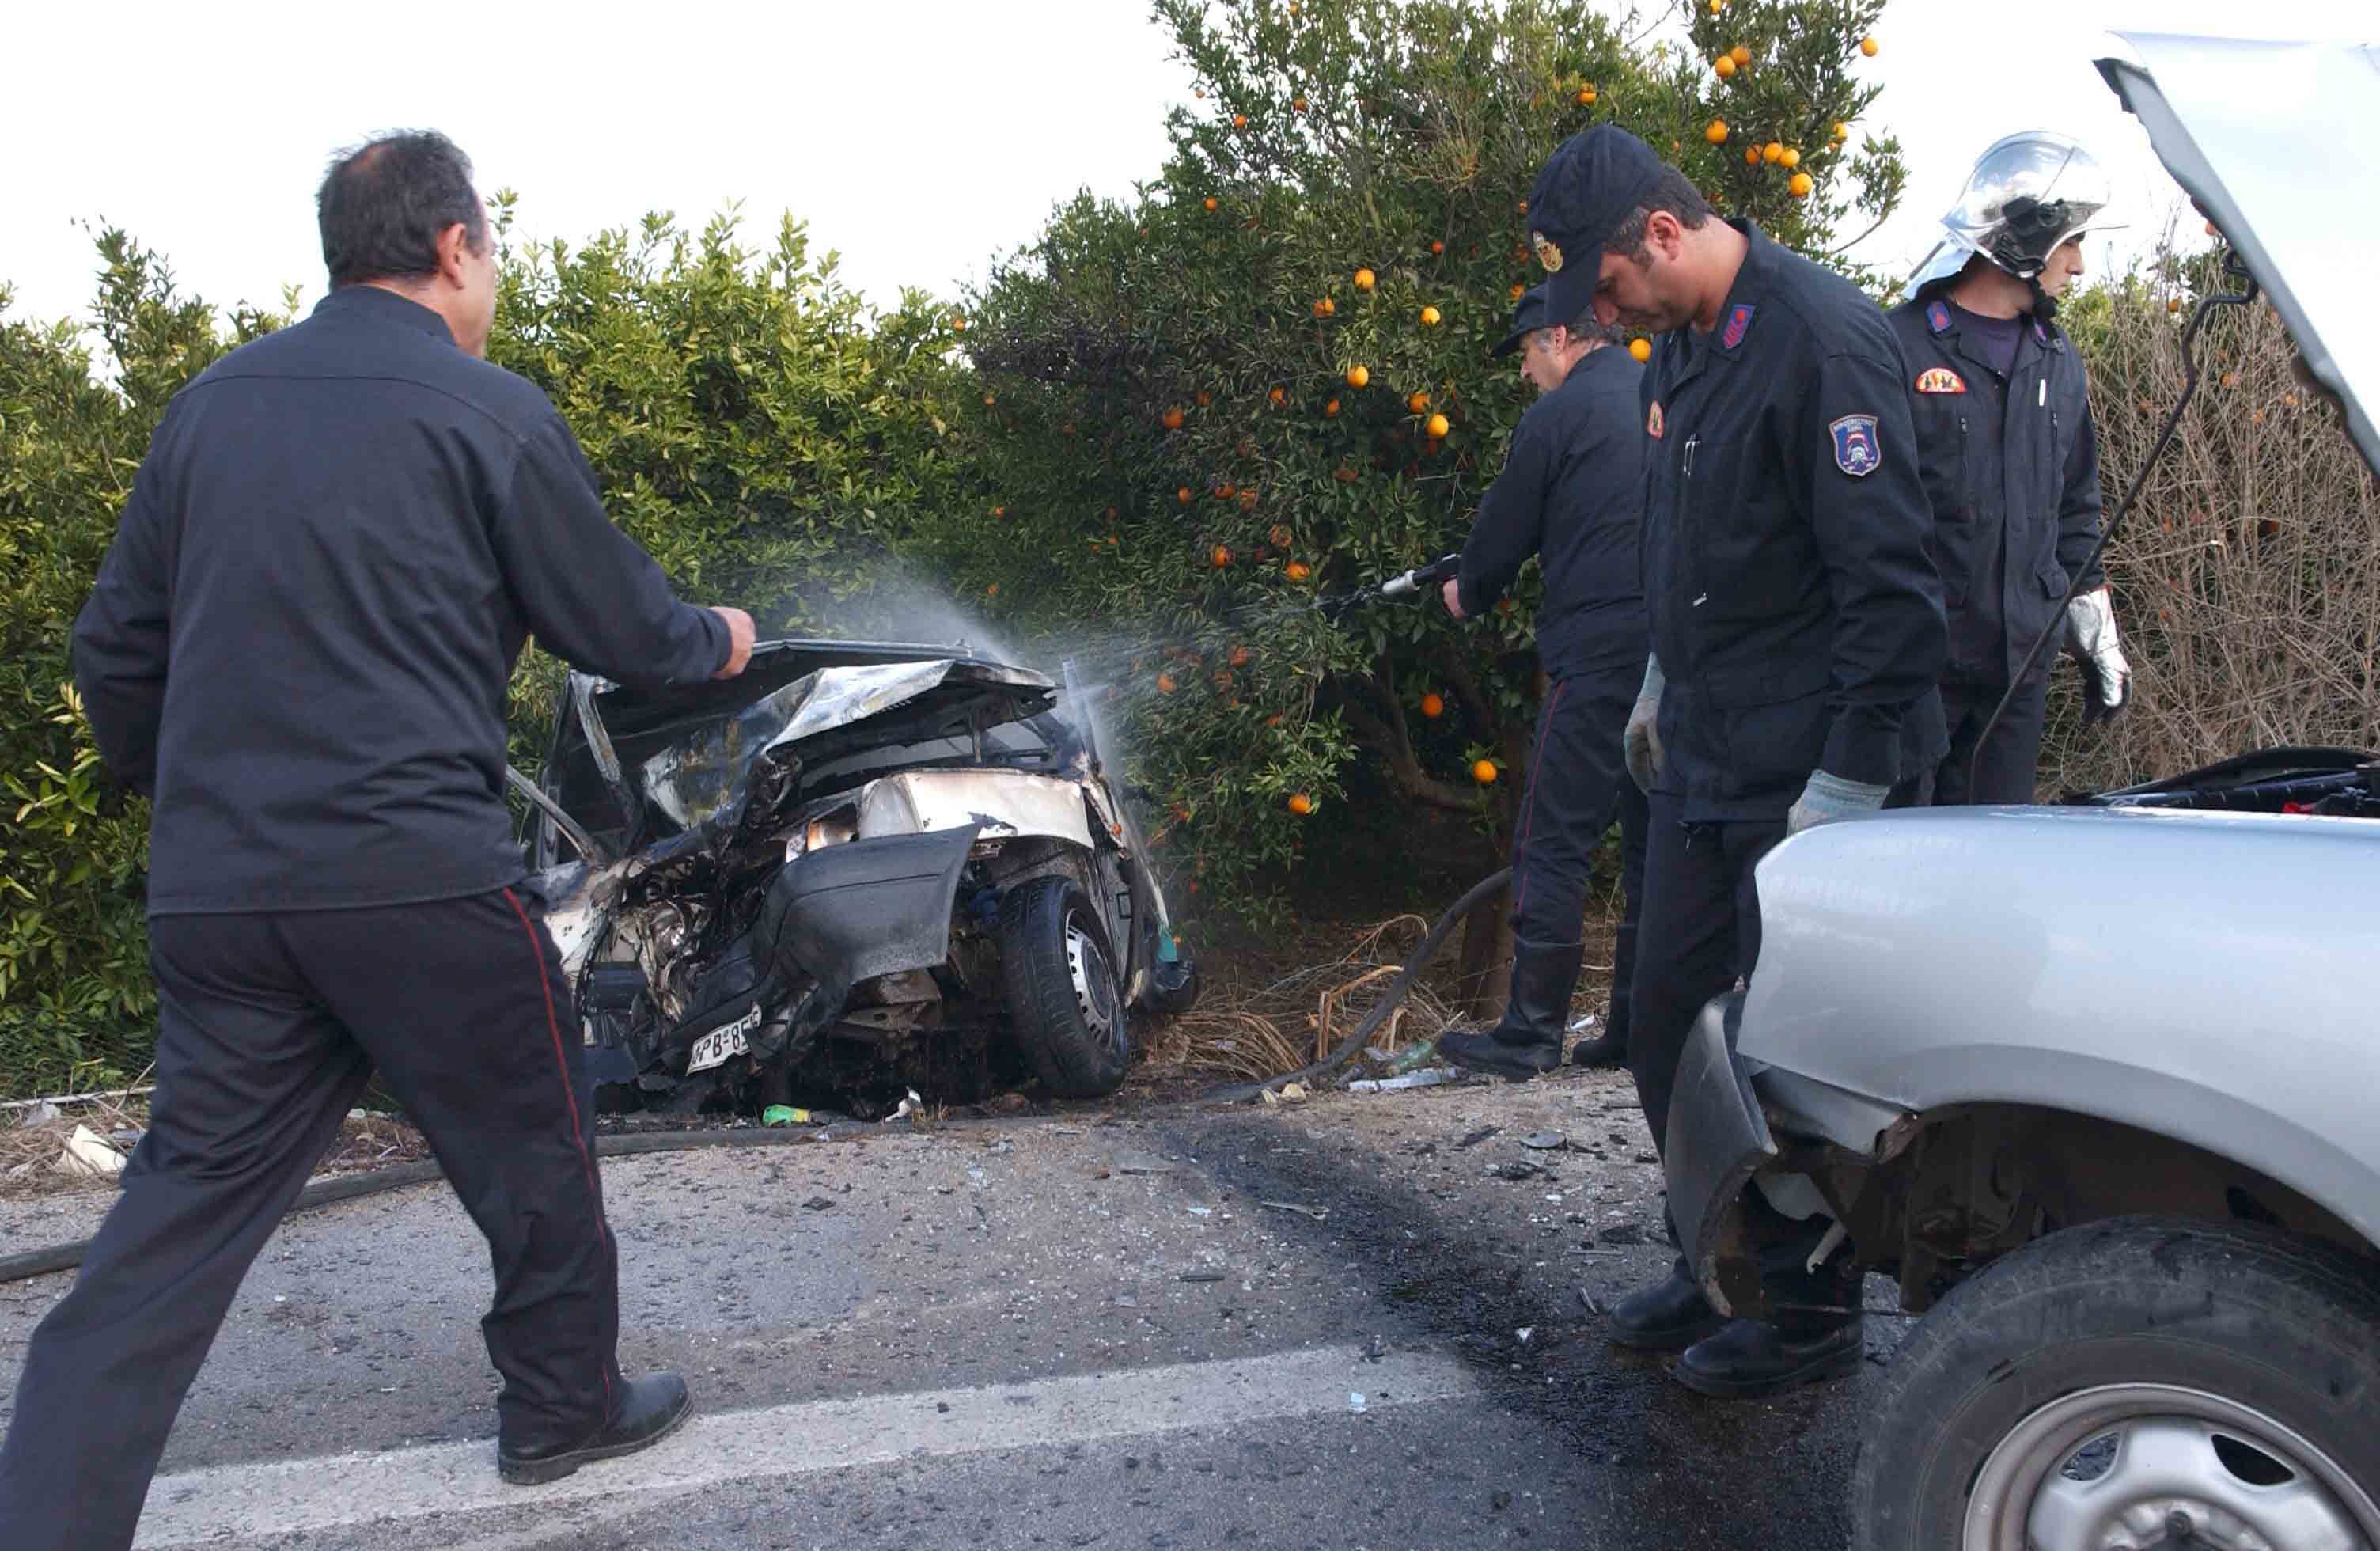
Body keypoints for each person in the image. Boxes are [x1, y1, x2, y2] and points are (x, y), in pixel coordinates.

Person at [0, 131, 755, 1549]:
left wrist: (199, 800)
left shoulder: (207, 412)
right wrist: (718, 638)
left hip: (223, 903)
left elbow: (115, 652)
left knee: (167, 1237)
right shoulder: (487, 413)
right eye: (492, 249)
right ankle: (559, 1409)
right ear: (455, 246)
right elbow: (621, 634)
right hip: (415, 885)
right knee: (533, 1137)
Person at [1522, 126, 1948, 1397]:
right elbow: (1686, 546)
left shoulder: (1823, 337)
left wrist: (1850, 786)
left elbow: (1895, 591)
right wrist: (1657, 675)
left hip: (1813, 774)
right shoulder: (1690, 352)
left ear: (1660, 233)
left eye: (1603, 289)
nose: (1601, 317)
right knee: (1665, 1032)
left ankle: (1812, 1317)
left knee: (1785, 1058)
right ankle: (1725, 1263)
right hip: (1711, 756)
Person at [1434, 283, 1650, 1078]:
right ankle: (1632, 1026)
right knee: (1651, 839)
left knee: (1552, 836)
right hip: (1678, 654)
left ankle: (1528, 1032)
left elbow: (1501, 530)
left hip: (1596, 650)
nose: (1526, 371)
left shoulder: (1556, 417)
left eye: (1527, 353)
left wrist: (1467, 587)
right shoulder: (1663, 391)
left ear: (1559, 336)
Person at [1893, 131, 2132, 802]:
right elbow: (1856, 519)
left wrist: (2095, 627)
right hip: (1913, 679)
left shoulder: (2059, 361)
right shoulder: (1898, 349)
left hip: (2019, 673)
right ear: (2029, 241)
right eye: (2072, 243)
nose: (2079, 266)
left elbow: (2076, 507)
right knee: (1895, 880)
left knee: (1988, 879)